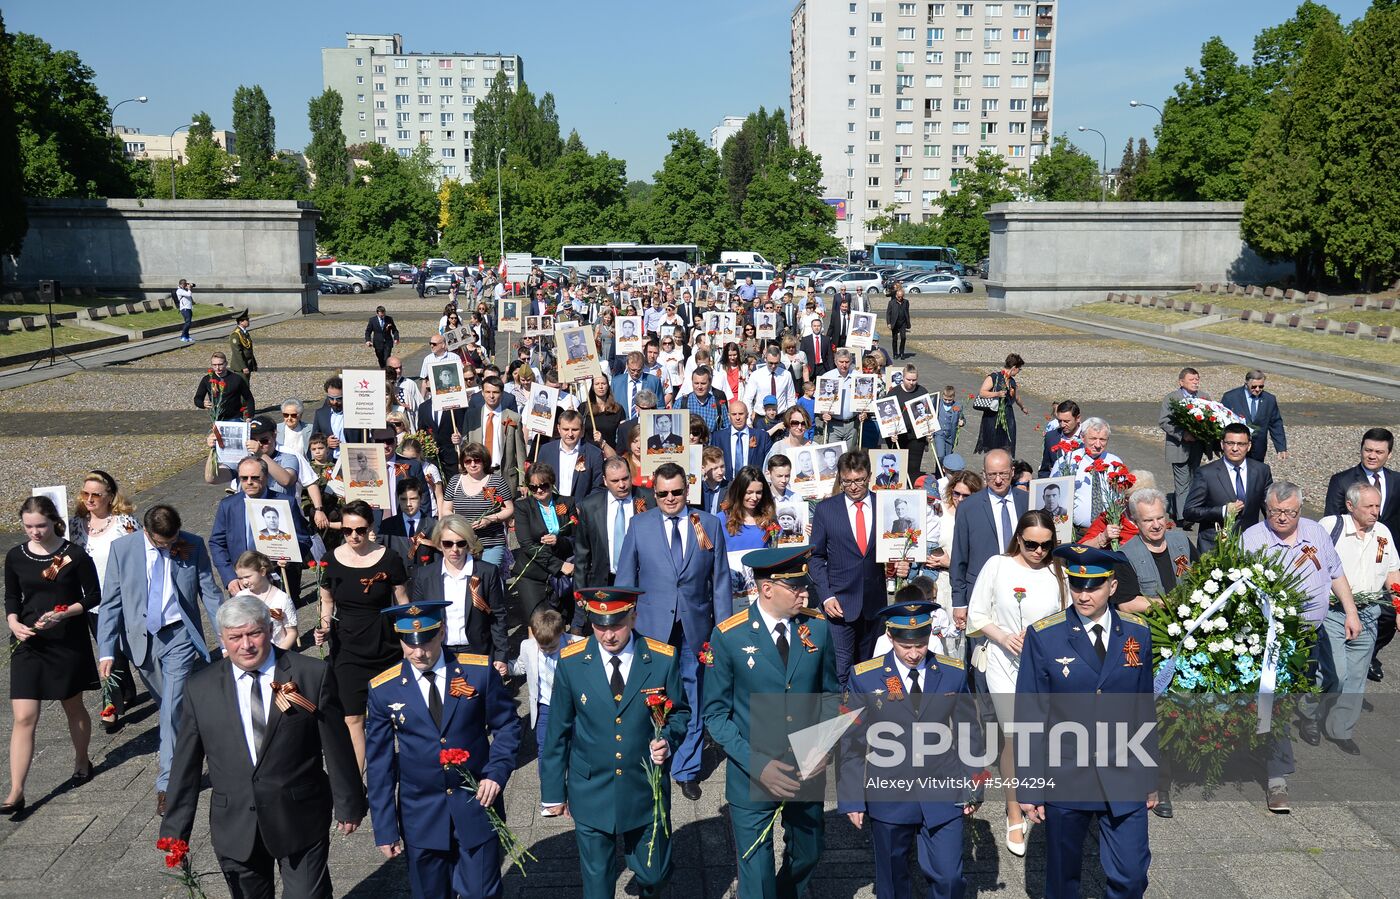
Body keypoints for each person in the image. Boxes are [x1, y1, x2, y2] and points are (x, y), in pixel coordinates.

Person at [161, 596, 364, 897]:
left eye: (253, 633)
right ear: (222, 640)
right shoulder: (199, 688)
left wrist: (349, 802)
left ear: (269, 630)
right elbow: (186, 764)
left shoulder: (310, 674)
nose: (246, 645)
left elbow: (336, 744)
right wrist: (175, 830)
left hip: (300, 817)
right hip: (236, 825)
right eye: (235, 637)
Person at [1016, 544, 1156, 899]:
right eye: (1077, 585)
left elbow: (1144, 708)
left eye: (1093, 586)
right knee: (1063, 880)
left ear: (1111, 586)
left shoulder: (1137, 633)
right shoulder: (1045, 636)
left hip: (1124, 771)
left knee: (1131, 875)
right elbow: (1030, 713)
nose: (1083, 594)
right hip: (1066, 775)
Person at [702, 545, 839, 899]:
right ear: (767, 589)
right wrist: (756, 765)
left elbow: (829, 693)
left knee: (809, 852)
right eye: (796, 587)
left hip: (804, 765)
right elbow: (715, 715)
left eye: (804, 585)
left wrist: (823, 743)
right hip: (754, 771)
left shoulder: (818, 629)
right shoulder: (729, 636)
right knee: (756, 872)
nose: (805, 592)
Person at [364, 596, 520, 899]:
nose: (419, 652)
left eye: (427, 641)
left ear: (442, 632)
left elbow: (507, 726)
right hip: (421, 815)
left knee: (482, 893)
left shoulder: (478, 671)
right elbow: (380, 763)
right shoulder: (384, 689)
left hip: (476, 805)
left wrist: (496, 773)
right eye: (410, 644)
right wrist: (385, 827)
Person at [540, 588, 690, 898]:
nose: (608, 635)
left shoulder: (662, 659)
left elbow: (680, 714)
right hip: (591, 787)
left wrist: (669, 742)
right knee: (596, 882)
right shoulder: (571, 662)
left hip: (643, 787)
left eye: (616, 624)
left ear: (633, 617)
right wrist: (553, 793)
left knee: (654, 873)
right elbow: (558, 731)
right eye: (599, 625)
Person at [838, 600, 981, 899]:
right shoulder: (865, 676)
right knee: (891, 882)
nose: (915, 653)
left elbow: (970, 731)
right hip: (889, 794)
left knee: (951, 879)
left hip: (944, 789)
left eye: (921, 644)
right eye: (906, 646)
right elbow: (852, 740)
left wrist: (975, 782)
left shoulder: (952, 672)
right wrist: (852, 797)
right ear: (890, 637)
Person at [1241, 482, 1360, 813]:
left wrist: (1350, 611)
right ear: (1267, 508)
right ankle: (1277, 776)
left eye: (1290, 512)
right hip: (1270, 638)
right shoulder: (1252, 538)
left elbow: (1336, 573)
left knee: (1292, 696)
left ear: (1300, 509)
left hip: (1311, 633)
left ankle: (1261, 744)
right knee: (1274, 701)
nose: (1282, 517)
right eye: (1276, 511)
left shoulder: (1316, 533)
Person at [615, 462, 731, 800]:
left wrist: (721, 632)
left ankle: (686, 767)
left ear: (687, 490)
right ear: (654, 493)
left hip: (695, 627)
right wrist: (624, 625)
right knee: (649, 695)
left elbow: (720, 582)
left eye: (676, 492)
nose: (670, 498)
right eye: (663, 493)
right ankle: (648, 759)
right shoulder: (639, 526)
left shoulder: (706, 523)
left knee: (693, 695)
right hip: (652, 627)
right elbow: (625, 581)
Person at [98, 504, 223, 815]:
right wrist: (106, 650)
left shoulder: (192, 545)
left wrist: (226, 637)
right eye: (161, 542)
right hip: (141, 642)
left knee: (169, 710)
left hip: (180, 636)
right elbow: (111, 603)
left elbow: (210, 593)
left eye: (172, 540)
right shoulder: (122, 550)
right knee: (175, 711)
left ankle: (168, 784)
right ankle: (200, 747)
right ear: (146, 532)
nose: (168, 546)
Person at [967, 509, 1066, 855]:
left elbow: (1067, 617)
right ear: (1018, 540)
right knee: (1013, 732)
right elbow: (977, 614)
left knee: (1040, 731)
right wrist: (1004, 637)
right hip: (1002, 660)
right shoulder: (998, 565)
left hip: (1045, 663)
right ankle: (1013, 809)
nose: (1039, 552)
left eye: (1046, 545)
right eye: (1031, 545)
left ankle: (1039, 796)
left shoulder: (1059, 571)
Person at [4, 496, 100, 815]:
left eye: (41, 525)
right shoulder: (16, 556)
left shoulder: (73, 554)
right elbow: (12, 597)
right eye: (29, 526)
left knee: (73, 706)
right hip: (29, 643)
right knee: (24, 717)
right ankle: (16, 790)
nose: (35, 532)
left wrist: (65, 614)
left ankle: (81, 758)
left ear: (53, 521)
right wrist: (13, 622)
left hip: (65, 641)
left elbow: (94, 595)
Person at [312, 500, 411, 773]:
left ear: (371, 527)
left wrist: (409, 644)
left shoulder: (390, 558)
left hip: (385, 643)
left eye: (359, 530)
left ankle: (396, 769)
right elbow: (327, 601)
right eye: (347, 531)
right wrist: (324, 628)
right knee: (352, 717)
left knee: (394, 714)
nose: (353, 536)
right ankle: (355, 783)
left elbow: (402, 602)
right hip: (347, 647)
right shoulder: (331, 560)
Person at [1316, 484, 1400, 755]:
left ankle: (1340, 729)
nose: (1375, 512)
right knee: (1335, 673)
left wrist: (1399, 607)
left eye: (1377, 506)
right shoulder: (1330, 526)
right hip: (1333, 610)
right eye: (1369, 507)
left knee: (1355, 677)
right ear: (1351, 506)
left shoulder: (1383, 534)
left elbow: (1392, 573)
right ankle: (1308, 709)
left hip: (1368, 612)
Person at [1323, 428, 1399, 682]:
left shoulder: (1397, 481)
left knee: (1387, 618)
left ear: (1389, 453)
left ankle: (1369, 654)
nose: (1372, 456)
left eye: (1379, 452)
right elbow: (1331, 525)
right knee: (1335, 671)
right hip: (1345, 571)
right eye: (1368, 450)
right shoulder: (1343, 480)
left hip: (1382, 560)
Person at [68, 469, 141, 729]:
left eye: (95, 495)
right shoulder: (76, 524)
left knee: (114, 651)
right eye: (85, 493)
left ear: (109, 497)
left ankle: (113, 701)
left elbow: (142, 556)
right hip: (92, 600)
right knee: (110, 649)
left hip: (121, 597)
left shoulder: (124, 523)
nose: (89, 499)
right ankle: (120, 696)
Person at [809, 451, 888, 687]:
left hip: (874, 603)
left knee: (870, 667)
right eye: (847, 481)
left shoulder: (883, 505)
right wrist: (826, 595)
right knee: (841, 668)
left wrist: (900, 562)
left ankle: (866, 717)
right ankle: (842, 716)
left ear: (869, 477)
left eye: (859, 480)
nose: (853, 487)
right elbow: (816, 557)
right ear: (840, 480)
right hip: (840, 603)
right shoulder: (826, 510)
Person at [409, 516, 509, 672]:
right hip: (438, 652)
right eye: (448, 544)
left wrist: (501, 655)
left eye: (460, 543)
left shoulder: (486, 572)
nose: (454, 549)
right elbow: (418, 618)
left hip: (477, 651)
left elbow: (497, 616)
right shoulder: (424, 575)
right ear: (439, 544)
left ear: (468, 543)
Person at [210, 457, 311, 600]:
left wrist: (290, 557)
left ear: (266, 477)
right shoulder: (229, 505)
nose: (249, 482)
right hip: (241, 582)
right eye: (244, 478)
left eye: (255, 477)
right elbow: (217, 543)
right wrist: (230, 578)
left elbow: (304, 539)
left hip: (278, 578)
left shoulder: (285, 503)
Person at [949, 449, 1028, 630]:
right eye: (992, 475)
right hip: (981, 592)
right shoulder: (969, 507)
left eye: (1004, 474)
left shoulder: (1026, 501)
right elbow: (959, 556)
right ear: (984, 475)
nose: (998, 480)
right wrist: (959, 602)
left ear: (1013, 472)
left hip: (1020, 588)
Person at [1183, 421, 1273, 553]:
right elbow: (1190, 511)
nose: (1235, 448)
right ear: (1222, 444)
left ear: (1249, 446)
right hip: (1215, 547)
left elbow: (1270, 507)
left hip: (1250, 544)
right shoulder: (1206, 473)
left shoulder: (1261, 470)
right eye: (1230, 443)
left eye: (1241, 444)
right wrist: (1223, 511)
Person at [574, 458, 657, 600]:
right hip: (604, 583)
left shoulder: (650, 499)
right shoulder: (589, 506)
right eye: (615, 481)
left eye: (625, 478)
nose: (622, 485)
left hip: (642, 583)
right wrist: (580, 592)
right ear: (605, 481)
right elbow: (582, 554)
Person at [512, 464, 580, 620]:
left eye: (543, 485)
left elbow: (577, 539)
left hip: (562, 576)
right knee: (537, 623)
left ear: (552, 483)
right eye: (533, 487)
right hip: (532, 574)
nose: (539, 490)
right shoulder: (523, 506)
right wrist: (559, 565)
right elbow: (527, 544)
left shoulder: (567, 502)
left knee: (559, 623)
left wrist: (559, 541)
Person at [509, 606, 574, 760]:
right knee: (544, 747)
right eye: (542, 647)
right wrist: (506, 667)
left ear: (561, 633)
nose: (546, 651)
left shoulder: (576, 644)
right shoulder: (527, 646)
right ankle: (546, 781)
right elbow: (521, 666)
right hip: (545, 706)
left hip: (571, 705)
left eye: (552, 647)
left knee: (572, 745)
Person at [1159, 367, 1211, 524]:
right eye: (1192, 379)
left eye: (1197, 379)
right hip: (1179, 446)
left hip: (1198, 446)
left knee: (1195, 479)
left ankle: (1190, 509)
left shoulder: (1204, 397)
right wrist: (1182, 434)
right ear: (1181, 382)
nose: (1195, 382)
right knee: (1182, 481)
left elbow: (1212, 417)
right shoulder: (1172, 398)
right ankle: (1184, 517)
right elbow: (1164, 421)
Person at [232, 550, 297, 651]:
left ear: (262, 571)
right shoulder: (241, 598)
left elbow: (292, 632)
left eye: (248, 577)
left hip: (276, 651)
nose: (244, 582)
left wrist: (278, 653)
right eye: (240, 578)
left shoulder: (281, 599)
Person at [1221, 369, 1287, 463]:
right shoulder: (1231, 397)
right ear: (1246, 383)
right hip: (1235, 448)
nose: (1257, 389)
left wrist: (1281, 447)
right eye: (1254, 386)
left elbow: (1275, 423)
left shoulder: (1269, 399)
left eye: (1261, 386)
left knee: (1255, 475)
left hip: (1258, 449)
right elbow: (1221, 421)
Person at [1069, 418, 1123, 532]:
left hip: (1109, 531)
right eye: (1093, 439)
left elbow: (1122, 495)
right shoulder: (1069, 462)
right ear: (1082, 438)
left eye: (1102, 439)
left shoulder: (1115, 463)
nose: (1098, 444)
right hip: (1077, 532)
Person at [377, 480, 439, 577]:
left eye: (413, 499)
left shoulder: (433, 525)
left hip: (424, 582)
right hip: (396, 583)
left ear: (421, 498)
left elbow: (438, 559)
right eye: (403, 499)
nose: (408, 504)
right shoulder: (387, 525)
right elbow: (378, 552)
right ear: (398, 499)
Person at [975, 353, 1028, 456]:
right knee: (992, 445)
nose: (1019, 372)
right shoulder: (994, 377)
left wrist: (1023, 407)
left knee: (1007, 444)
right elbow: (982, 392)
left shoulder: (1012, 382)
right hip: (993, 415)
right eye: (1019, 369)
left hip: (1008, 416)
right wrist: (997, 394)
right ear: (1014, 367)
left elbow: (1017, 397)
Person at [712, 400, 771, 480]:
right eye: (734, 414)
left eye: (741, 414)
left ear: (747, 415)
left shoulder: (762, 436)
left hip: (753, 484)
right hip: (727, 485)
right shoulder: (718, 437)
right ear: (729, 416)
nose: (737, 418)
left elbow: (769, 463)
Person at [194, 351, 255, 422]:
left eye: (220, 364)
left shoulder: (236, 379)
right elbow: (197, 398)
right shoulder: (207, 379)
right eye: (214, 365)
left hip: (234, 418)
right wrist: (202, 404)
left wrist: (250, 415)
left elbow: (249, 398)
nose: (217, 368)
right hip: (216, 418)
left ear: (226, 363)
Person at [1038, 400, 1083, 478]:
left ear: (1078, 418)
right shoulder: (1051, 437)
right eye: (1059, 421)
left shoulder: (1088, 437)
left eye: (1066, 421)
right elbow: (1045, 470)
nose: (1062, 425)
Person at [933, 385, 964, 463]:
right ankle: (939, 473)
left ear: (953, 397)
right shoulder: (938, 403)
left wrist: (962, 422)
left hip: (950, 435)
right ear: (942, 396)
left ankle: (944, 473)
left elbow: (962, 418)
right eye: (945, 399)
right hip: (939, 433)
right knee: (941, 456)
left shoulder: (958, 406)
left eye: (949, 400)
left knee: (947, 457)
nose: (947, 402)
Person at [364, 304, 400, 369]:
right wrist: (368, 340)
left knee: (386, 358)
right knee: (380, 359)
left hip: (387, 343)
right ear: (377, 313)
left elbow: (394, 330)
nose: (383, 316)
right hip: (378, 343)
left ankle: (387, 372)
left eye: (384, 314)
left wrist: (396, 338)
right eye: (381, 315)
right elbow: (368, 331)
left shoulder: (389, 319)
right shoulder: (372, 320)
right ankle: (383, 370)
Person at [885, 284, 912, 359]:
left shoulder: (906, 302)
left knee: (903, 338)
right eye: (899, 297)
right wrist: (889, 323)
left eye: (901, 297)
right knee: (895, 339)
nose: (900, 298)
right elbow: (888, 313)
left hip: (903, 323)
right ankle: (895, 353)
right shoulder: (891, 303)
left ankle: (901, 352)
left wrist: (908, 323)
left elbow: (907, 312)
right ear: (896, 296)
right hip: (895, 323)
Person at [229, 310, 257, 381]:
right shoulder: (235, 335)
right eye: (246, 320)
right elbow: (237, 352)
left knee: (246, 386)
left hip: (248, 363)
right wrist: (243, 367)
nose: (248, 321)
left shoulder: (244, 332)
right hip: (240, 367)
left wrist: (253, 363)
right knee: (243, 386)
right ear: (241, 322)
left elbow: (249, 349)